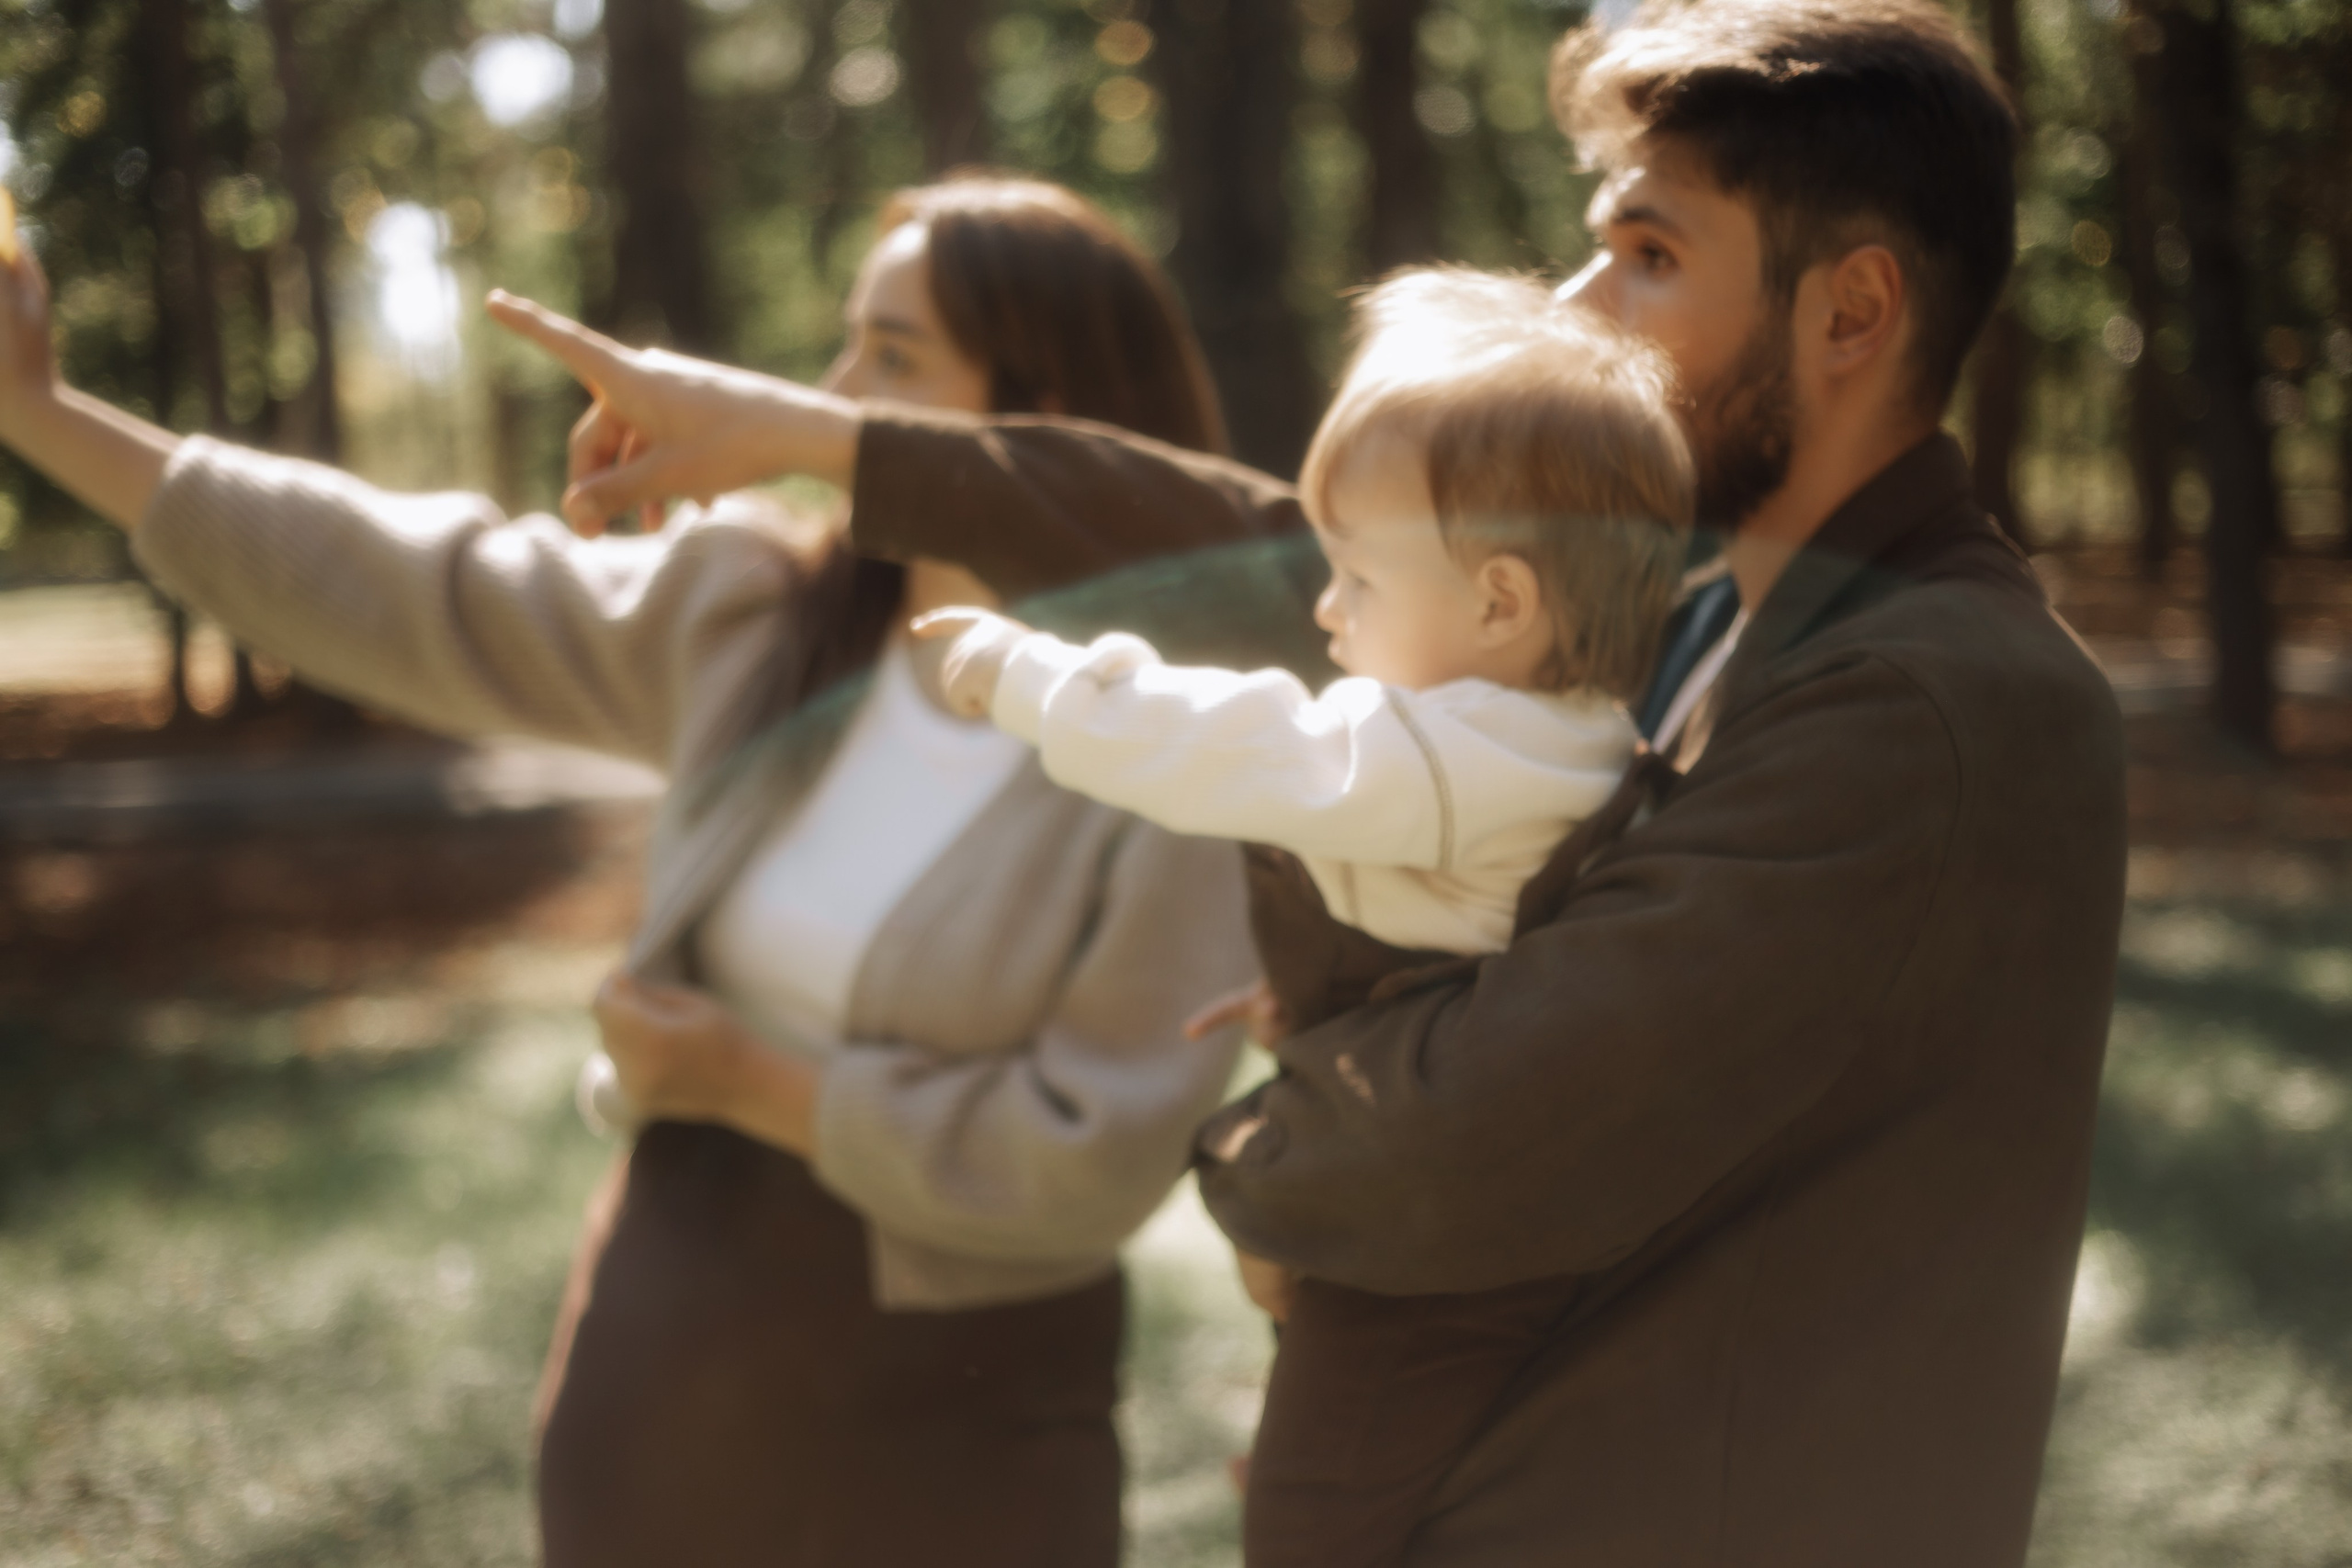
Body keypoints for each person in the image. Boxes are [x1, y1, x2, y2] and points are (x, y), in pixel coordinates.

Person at [461, 1, 2133, 1562]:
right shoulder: (1688, 617)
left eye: (1643, 252)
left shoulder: (1933, 698)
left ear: (1850, 312)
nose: (1570, 306)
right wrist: (814, 439)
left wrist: (1264, 1165)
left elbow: (1493, 1126)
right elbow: (1282, 550)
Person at [0, 175, 1270, 1567]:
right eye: (848, 342)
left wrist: (754, 1083)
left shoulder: (1183, 745)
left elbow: (1093, 1155)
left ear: (1052, 417)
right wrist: (41, 413)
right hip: (670, 1349)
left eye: (893, 358)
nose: (835, 393)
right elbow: (413, 585)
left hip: (977, 1402)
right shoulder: (749, 610)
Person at [919, 264, 1695, 1568]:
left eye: (1358, 579)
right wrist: (1303, 998)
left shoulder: (1467, 745)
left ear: (1503, 603)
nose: (1326, 611)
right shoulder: (1556, 745)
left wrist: (1034, 680)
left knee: (1314, 1510)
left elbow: (1253, 749)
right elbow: (1441, 922)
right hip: (1469, 1212)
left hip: (1430, 1257)